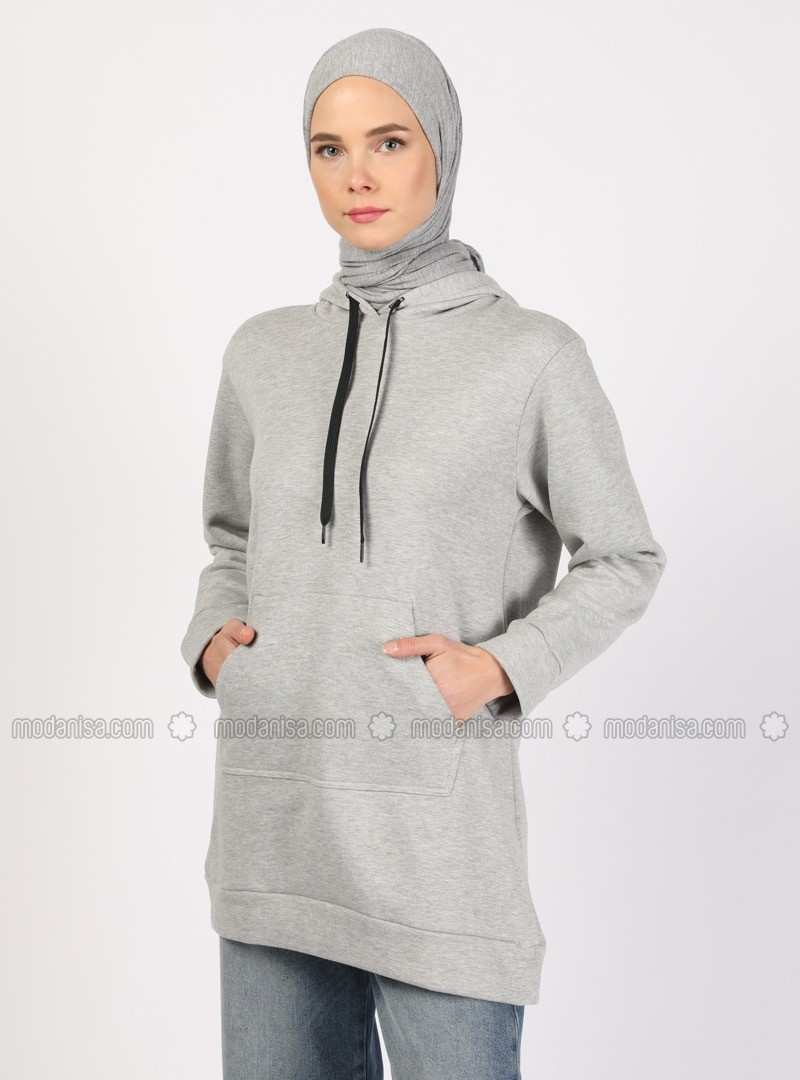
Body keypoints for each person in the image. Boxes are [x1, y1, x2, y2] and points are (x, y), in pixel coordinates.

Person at [180, 26, 667, 1080]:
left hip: (436, 857)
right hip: (273, 828)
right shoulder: (262, 351)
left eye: (388, 142)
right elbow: (231, 536)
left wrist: (499, 668)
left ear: (440, 149)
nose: (356, 175)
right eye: (328, 148)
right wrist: (219, 642)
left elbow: (623, 556)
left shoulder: (529, 357)